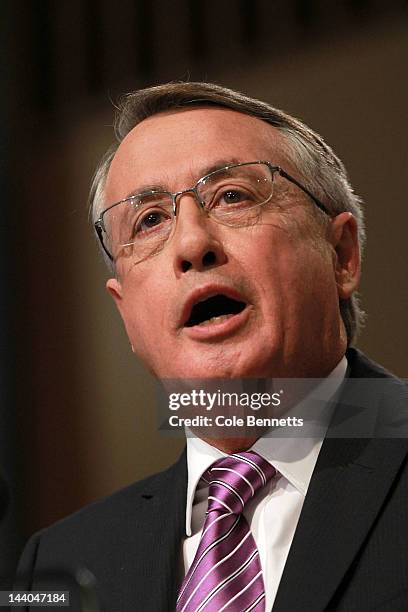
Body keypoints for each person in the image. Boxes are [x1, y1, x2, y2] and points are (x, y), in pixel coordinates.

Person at [16, 82, 408, 611]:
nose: (192, 244)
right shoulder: (58, 564)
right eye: (150, 219)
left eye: (232, 196)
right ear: (125, 312)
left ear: (341, 256)